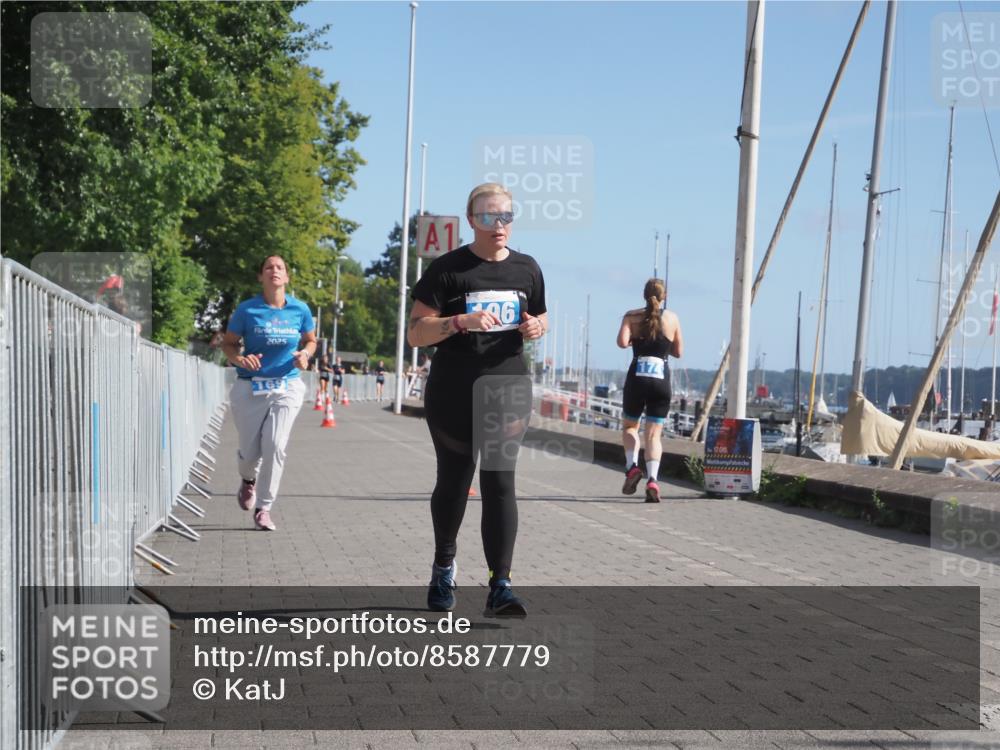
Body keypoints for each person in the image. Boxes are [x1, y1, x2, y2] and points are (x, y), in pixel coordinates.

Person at [408, 182, 547, 617]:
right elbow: (416, 331)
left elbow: (539, 315)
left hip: (507, 387)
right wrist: (458, 321)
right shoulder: (448, 269)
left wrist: (536, 328)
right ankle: (444, 568)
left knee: (500, 480)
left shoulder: (527, 268)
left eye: (506, 216)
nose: (499, 225)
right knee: (454, 480)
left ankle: (500, 586)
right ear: (472, 220)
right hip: (454, 389)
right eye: (489, 217)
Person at [221, 255, 316, 531]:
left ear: (286, 277)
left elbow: (310, 341)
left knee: (275, 444)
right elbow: (229, 344)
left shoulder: (300, 309)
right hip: (250, 387)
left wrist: (305, 355)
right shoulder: (247, 310)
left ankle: (264, 508)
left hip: (287, 385)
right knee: (250, 453)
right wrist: (239, 359)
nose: (274, 271)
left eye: (280, 267)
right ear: (261, 277)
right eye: (268, 267)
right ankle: (248, 480)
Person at [616, 278, 683, 503]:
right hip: (661, 379)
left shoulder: (631, 316)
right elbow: (678, 351)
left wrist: (636, 334)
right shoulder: (672, 318)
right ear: (664, 296)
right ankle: (653, 479)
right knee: (653, 434)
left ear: (644, 294)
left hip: (637, 378)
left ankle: (632, 467)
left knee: (630, 427)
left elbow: (622, 342)